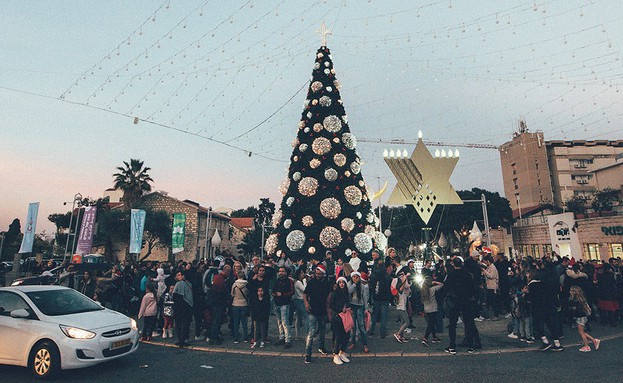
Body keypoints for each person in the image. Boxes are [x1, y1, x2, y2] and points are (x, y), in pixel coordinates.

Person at [444, 257, 480, 354]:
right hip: (466, 300)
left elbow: (446, 287)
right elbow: (472, 288)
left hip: (455, 301)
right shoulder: (467, 275)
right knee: (468, 322)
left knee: (453, 324)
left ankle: (452, 345)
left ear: (454, 265)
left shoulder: (451, 275)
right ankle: (471, 345)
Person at [303, 264, 332, 364]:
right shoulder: (311, 282)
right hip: (313, 309)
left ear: (323, 274)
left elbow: (329, 295)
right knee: (311, 332)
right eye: (316, 273)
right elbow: (305, 294)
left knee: (322, 330)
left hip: (323, 310)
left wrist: (328, 309)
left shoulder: (327, 283)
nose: (317, 275)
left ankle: (321, 347)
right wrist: (306, 303)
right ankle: (308, 353)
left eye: (319, 274)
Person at [569, 286, 600, 352]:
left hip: (580, 317)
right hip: (584, 317)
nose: (570, 292)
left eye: (571, 291)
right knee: (582, 331)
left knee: (581, 332)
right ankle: (594, 340)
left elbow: (576, 310)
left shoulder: (575, 301)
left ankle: (587, 346)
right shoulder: (581, 299)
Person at [329, 277, 351, 365]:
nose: (341, 284)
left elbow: (348, 302)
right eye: (340, 283)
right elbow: (331, 304)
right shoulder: (335, 293)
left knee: (347, 334)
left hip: (345, 316)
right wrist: (340, 310)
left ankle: (342, 352)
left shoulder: (346, 293)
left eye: (343, 283)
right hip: (336, 317)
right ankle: (336, 354)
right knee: (337, 335)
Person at [369, 257, 392, 338]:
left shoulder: (373, 275)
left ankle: (371, 330)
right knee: (384, 315)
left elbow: (371, 286)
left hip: (376, 296)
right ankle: (382, 332)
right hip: (385, 297)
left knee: (374, 314)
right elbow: (389, 285)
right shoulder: (386, 275)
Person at [347, 271, 370, 353]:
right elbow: (348, 291)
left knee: (361, 326)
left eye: (357, 277)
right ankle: (353, 343)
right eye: (354, 277)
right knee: (353, 326)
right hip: (352, 306)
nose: (355, 279)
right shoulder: (349, 284)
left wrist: (366, 308)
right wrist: (354, 284)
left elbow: (365, 297)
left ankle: (365, 344)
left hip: (360, 306)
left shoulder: (362, 286)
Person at [273, 266, 294, 348]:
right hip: (277, 303)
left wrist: (283, 294)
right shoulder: (277, 281)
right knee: (279, 322)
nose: (281, 273)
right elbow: (274, 289)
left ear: (286, 272)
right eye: (280, 271)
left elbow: (292, 292)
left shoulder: (289, 281)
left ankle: (287, 340)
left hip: (285, 303)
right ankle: (282, 337)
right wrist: (274, 294)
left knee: (285, 322)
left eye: (282, 271)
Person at [420, 276, 443, 346]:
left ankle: (434, 337)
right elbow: (442, 285)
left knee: (431, 323)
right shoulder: (432, 290)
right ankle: (425, 338)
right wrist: (435, 282)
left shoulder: (422, 290)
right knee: (430, 324)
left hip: (426, 309)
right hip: (433, 308)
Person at [173, 270, 193, 347]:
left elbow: (176, 296)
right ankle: (183, 339)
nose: (177, 276)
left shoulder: (179, 284)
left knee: (179, 324)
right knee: (185, 324)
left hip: (180, 306)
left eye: (179, 274)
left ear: (183, 276)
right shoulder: (189, 283)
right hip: (188, 305)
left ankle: (180, 339)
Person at [231, 270, 250, 344]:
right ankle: (245, 338)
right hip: (244, 304)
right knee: (244, 322)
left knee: (236, 322)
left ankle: (236, 338)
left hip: (235, 304)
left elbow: (232, 294)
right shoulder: (246, 284)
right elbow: (248, 293)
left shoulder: (234, 284)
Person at [393, 270, 411, 343]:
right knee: (407, 322)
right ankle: (398, 334)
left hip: (402, 307)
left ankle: (401, 336)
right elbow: (403, 285)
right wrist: (405, 277)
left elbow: (407, 287)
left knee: (403, 322)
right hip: (401, 308)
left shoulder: (402, 289)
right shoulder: (399, 290)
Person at [292, 268, 308, 339]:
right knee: (306, 317)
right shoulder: (298, 282)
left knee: (298, 318)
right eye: (301, 273)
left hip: (298, 300)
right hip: (300, 300)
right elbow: (305, 289)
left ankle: (297, 335)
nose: (303, 274)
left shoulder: (298, 282)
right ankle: (307, 334)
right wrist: (305, 281)